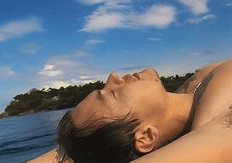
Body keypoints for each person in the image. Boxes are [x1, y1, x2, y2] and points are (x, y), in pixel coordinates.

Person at [29, 59, 232, 163]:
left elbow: (66, 153)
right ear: (145, 136)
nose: (113, 78)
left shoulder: (186, 94)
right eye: (111, 94)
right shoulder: (217, 118)